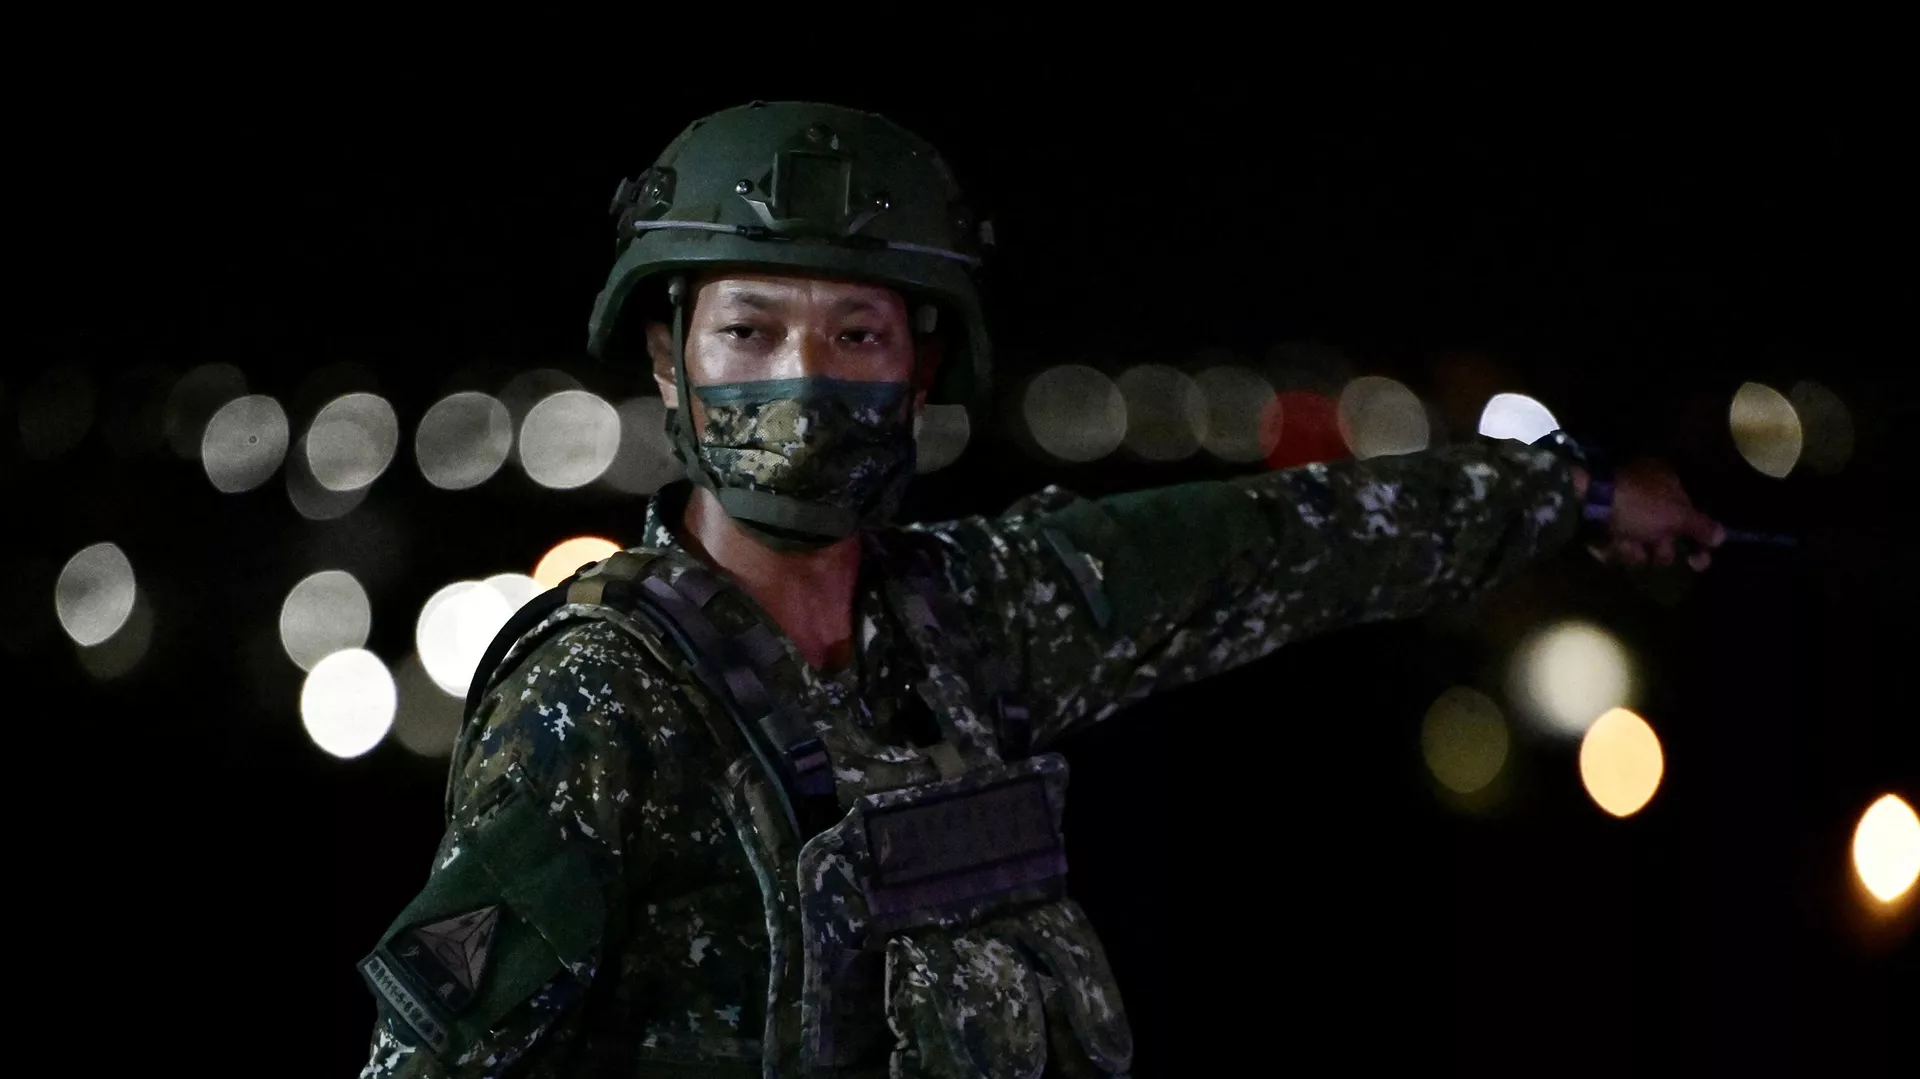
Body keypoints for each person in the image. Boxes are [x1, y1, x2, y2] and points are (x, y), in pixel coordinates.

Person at [357, 101, 1726, 1079]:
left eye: (856, 333)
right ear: (671, 361)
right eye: (749, 329)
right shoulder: (598, 698)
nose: (804, 378)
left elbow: (1281, 540)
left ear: (921, 369)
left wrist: (1571, 497)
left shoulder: (973, 619)